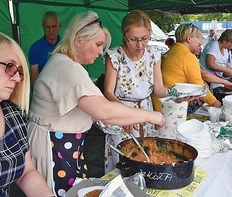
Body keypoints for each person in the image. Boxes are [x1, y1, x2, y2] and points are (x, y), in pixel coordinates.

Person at [27, 10, 165, 197]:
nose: (101, 51)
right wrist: (152, 115)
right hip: (54, 148)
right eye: (98, 44)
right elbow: (104, 109)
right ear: (79, 41)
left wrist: (94, 117)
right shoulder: (66, 68)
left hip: (64, 145)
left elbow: (84, 106)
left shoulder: (66, 63)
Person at [0, 31, 54, 196]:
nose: (18, 79)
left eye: (19, 71)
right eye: (9, 67)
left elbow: (26, 172)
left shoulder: (13, 114)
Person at [103, 10, 168, 173]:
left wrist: (177, 94)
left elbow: (159, 88)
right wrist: (127, 114)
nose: (140, 45)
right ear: (125, 35)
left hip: (146, 110)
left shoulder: (153, 54)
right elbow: (108, 92)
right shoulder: (115, 56)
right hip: (120, 110)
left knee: (146, 157)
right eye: (134, 39)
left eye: (145, 39)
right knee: (124, 160)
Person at [152, 23, 221, 113]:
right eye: (197, 38)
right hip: (169, 105)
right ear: (189, 39)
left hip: (159, 101)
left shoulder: (173, 51)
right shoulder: (187, 56)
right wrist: (216, 103)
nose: (199, 42)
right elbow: (199, 87)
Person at [29, 11, 61, 88]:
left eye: (54, 26)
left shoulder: (66, 45)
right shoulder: (35, 48)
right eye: (47, 27)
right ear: (43, 27)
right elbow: (34, 76)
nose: (51, 30)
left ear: (59, 26)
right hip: (44, 89)